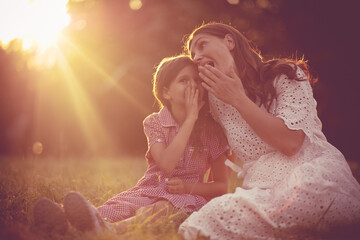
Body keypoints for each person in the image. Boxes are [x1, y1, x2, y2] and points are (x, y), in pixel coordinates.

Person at [178, 22, 360, 240]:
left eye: (202, 45)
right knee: (221, 212)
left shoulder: (286, 75)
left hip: (309, 172)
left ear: (229, 41)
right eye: (193, 54)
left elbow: (290, 143)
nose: (197, 56)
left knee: (311, 192)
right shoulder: (215, 102)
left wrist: (238, 99)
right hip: (262, 189)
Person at [33, 55, 229, 236]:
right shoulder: (154, 123)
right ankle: (67, 224)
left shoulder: (212, 131)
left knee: (161, 210)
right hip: (149, 189)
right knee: (118, 207)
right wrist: (189, 121)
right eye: (184, 80)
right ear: (166, 92)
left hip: (188, 198)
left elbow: (222, 186)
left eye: (196, 80)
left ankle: (108, 231)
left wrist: (188, 186)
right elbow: (167, 164)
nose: (193, 85)